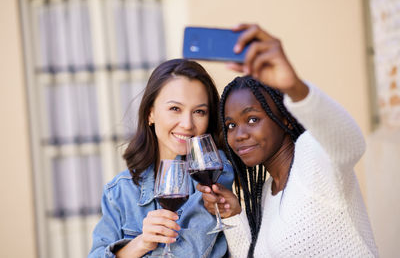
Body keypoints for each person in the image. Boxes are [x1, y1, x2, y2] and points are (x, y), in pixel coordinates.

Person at [197, 24, 379, 257]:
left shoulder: (312, 158)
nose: (239, 134)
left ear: (286, 120)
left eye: (252, 119)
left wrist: (294, 87)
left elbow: (351, 143)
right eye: (231, 125)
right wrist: (233, 215)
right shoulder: (267, 192)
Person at [89, 59, 234, 258]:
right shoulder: (120, 191)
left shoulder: (216, 171)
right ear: (151, 114)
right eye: (175, 108)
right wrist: (141, 243)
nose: (187, 124)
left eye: (199, 112)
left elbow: (191, 252)